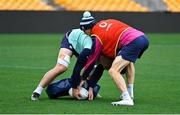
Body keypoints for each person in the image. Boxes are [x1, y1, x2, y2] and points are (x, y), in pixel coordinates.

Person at [77, 11, 149, 106]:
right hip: (142, 37)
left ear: (87, 29)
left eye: (84, 31)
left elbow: (93, 59)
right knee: (129, 63)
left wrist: (83, 78)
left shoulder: (96, 35)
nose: (85, 34)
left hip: (132, 42)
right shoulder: (106, 22)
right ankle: (130, 93)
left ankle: (127, 98)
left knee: (113, 70)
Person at [31, 28, 96, 100]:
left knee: (91, 70)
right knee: (61, 67)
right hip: (71, 40)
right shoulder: (90, 45)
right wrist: (74, 88)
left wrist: (91, 88)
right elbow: (77, 69)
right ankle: (37, 91)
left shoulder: (95, 47)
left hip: (82, 48)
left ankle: (89, 90)